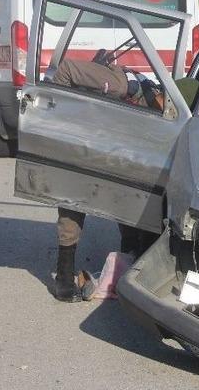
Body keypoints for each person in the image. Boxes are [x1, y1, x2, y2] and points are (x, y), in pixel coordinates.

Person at [47, 57, 162, 302]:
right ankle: (64, 279)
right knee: (74, 199)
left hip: (113, 145)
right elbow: (67, 68)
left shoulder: (149, 105)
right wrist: (63, 117)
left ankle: (126, 268)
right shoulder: (121, 84)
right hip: (85, 140)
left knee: (130, 195)